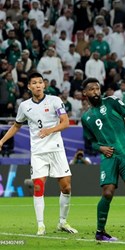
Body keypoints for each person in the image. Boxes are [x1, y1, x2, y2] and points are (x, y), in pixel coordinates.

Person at [0, 72, 77, 236]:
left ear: (44, 85)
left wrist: (49, 130)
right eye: (34, 83)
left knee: (67, 187)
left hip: (56, 149)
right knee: (38, 187)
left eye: (40, 82)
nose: (37, 85)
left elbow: (65, 122)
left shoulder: (55, 100)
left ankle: (62, 222)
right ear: (29, 86)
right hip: (38, 152)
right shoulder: (24, 106)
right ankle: (41, 225)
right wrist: (1, 141)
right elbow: (16, 125)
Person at [81, 77, 125, 242]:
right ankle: (100, 232)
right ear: (85, 93)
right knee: (107, 192)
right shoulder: (86, 117)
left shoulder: (112, 102)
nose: (95, 92)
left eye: (97, 88)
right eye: (91, 89)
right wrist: (101, 148)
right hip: (109, 156)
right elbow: (90, 142)